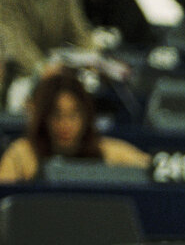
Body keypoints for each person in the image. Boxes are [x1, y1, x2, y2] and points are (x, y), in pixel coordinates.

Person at [0, 69, 149, 182]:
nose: (65, 124)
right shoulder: (21, 154)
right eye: (56, 115)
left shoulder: (113, 153)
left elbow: (154, 170)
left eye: (73, 115)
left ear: (86, 117)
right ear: (43, 118)